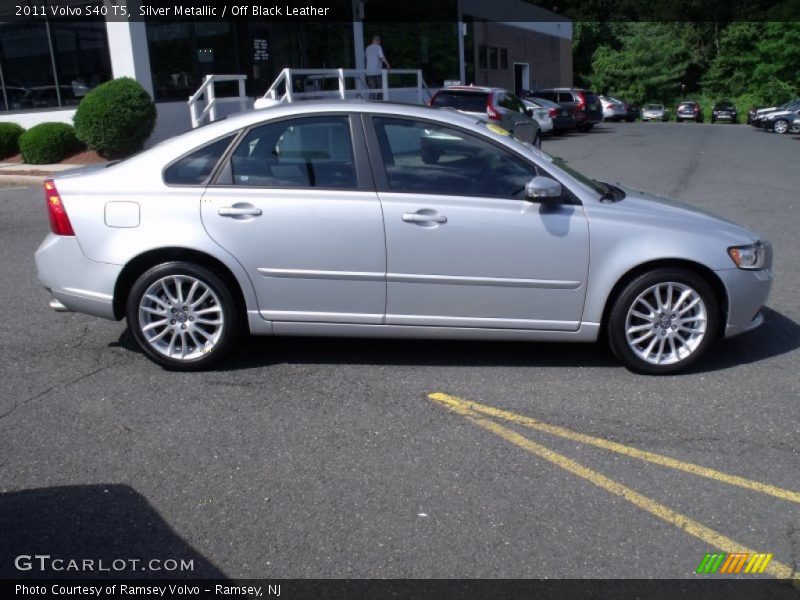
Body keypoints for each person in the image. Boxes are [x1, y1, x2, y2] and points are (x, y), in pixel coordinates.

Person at [365, 35, 390, 100]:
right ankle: (380, 102)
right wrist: (387, 64)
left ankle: (372, 103)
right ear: (377, 40)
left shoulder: (367, 48)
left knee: (372, 89)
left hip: (369, 72)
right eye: (379, 41)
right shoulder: (378, 47)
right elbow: (382, 57)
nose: (380, 42)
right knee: (380, 88)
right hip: (377, 71)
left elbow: (366, 57)